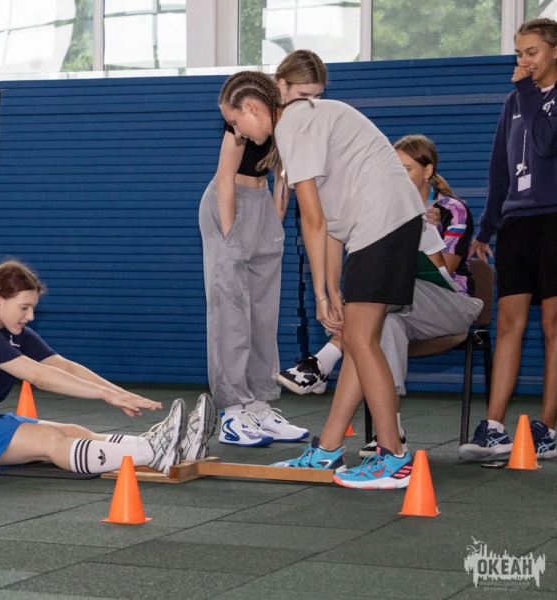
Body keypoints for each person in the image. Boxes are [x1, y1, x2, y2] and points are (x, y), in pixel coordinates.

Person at [216, 69, 426, 489]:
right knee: (356, 338)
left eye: (235, 122)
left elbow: (311, 221)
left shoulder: (293, 126)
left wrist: (321, 294)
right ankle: (328, 449)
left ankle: (394, 457)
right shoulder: (300, 123)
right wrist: (330, 288)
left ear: (253, 107)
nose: (237, 133)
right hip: (382, 224)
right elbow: (328, 224)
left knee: (361, 340)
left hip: (384, 223)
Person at [277, 134, 483, 457]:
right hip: (403, 306)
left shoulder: (450, 210)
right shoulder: (388, 207)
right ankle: (392, 432)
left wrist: (423, 231)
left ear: (428, 171)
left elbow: (447, 268)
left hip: (453, 303)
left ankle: (324, 360)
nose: (400, 177)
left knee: (379, 299)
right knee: (384, 325)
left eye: (407, 169)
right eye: (395, 170)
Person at [0, 260, 216, 475]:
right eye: (24, 308)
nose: (30, 317)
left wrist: (119, 392)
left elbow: (63, 366)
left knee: (73, 431)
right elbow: (40, 376)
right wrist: (104, 396)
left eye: (32, 308)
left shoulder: (11, 330)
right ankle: (153, 452)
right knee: (50, 441)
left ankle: (166, 444)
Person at [199, 49, 326, 448]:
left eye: (316, 96)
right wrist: (230, 232)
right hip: (229, 205)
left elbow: (283, 176)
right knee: (230, 313)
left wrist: (274, 219)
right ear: (282, 87)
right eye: (303, 94)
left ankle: (259, 404)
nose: (310, 103)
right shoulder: (244, 114)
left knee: (263, 315)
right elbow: (225, 177)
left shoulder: (291, 124)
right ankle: (232, 411)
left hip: (262, 209)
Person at [460, 18, 557, 462]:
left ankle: (548, 427)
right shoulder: (514, 101)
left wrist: (526, 91)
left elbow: (545, 144)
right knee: (508, 324)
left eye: (531, 52)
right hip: (518, 224)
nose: (523, 61)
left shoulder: (532, 97)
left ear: (554, 51)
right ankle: (494, 426)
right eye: (519, 53)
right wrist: (486, 227)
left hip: (554, 220)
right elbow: (500, 168)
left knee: (553, 326)